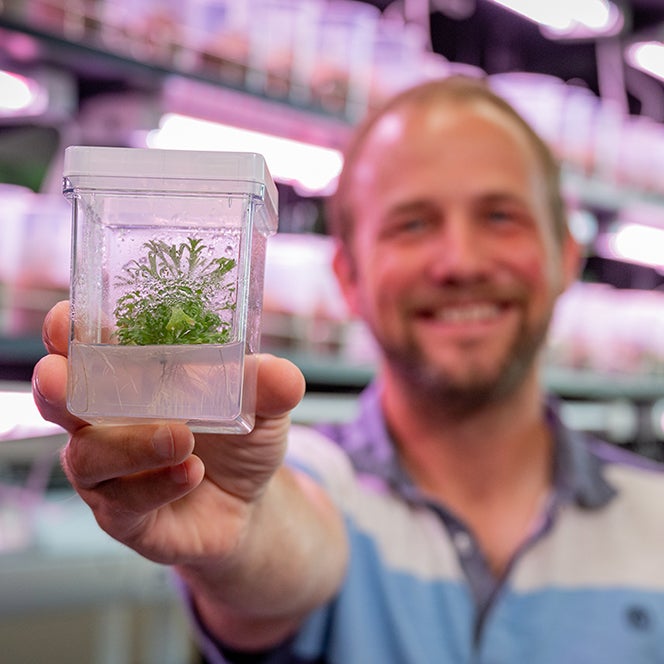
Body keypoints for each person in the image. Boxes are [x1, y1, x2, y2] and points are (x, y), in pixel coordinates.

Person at [32, 77, 664, 663]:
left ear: (566, 258)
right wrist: (245, 529)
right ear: (348, 277)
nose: (459, 261)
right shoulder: (313, 478)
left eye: (501, 216)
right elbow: (288, 539)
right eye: (412, 223)